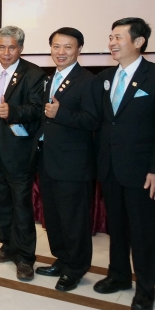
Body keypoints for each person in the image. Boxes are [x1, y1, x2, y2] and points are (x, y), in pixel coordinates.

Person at [93, 17, 155, 310]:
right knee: (116, 227)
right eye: (111, 37)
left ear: (139, 42)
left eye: (118, 37)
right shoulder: (105, 77)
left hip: (143, 171)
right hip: (110, 167)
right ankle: (118, 275)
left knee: (144, 231)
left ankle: (145, 287)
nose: (112, 43)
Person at [33, 28, 99, 292]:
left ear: (79, 49)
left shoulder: (88, 80)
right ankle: (62, 259)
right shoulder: (51, 78)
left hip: (74, 163)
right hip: (49, 160)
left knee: (74, 219)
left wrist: (61, 113)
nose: (61, 52)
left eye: (68, 47)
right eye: (56, 46)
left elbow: (93, 120)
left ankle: (76, 268)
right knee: (55, 217)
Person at [0, 26, 45, 281]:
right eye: (1, 47)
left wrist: (13, 112)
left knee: (20, 204)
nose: (6, 52)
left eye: (12, 47)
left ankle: (25, 257)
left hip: (18, 149)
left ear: (21, 48)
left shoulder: (34, 74)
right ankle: (7, 246)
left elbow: (37, 108)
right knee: (0, 200)